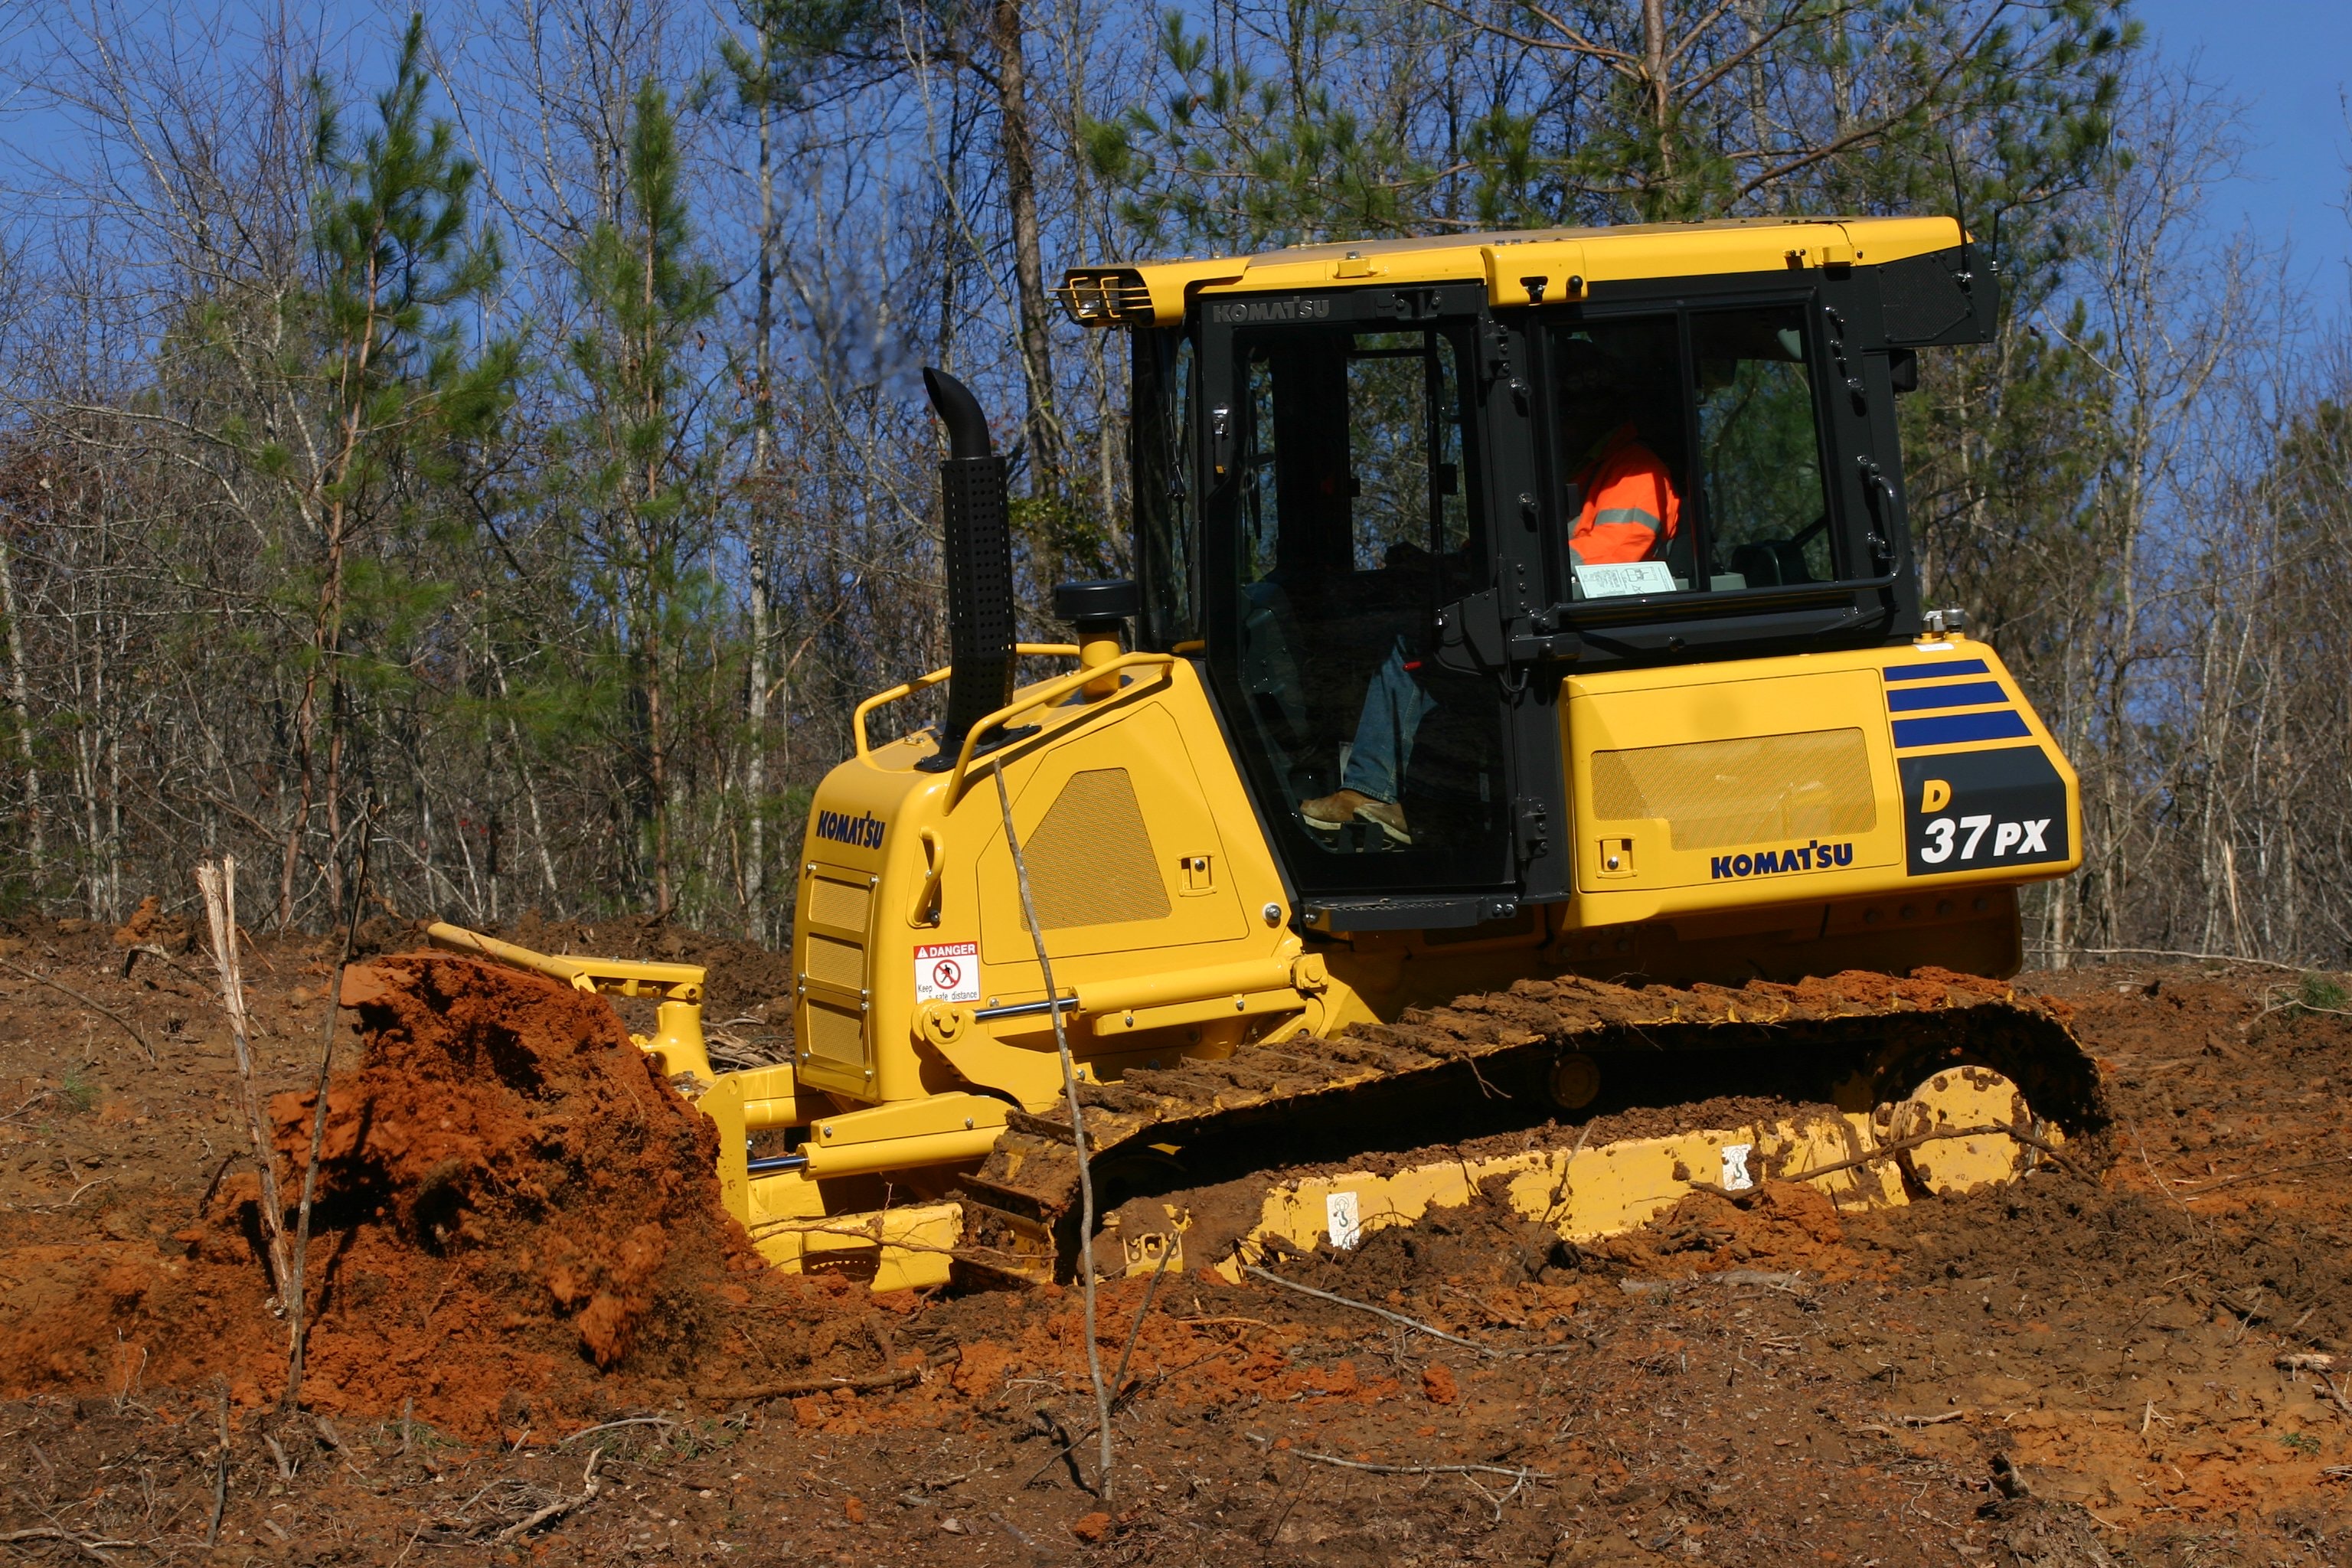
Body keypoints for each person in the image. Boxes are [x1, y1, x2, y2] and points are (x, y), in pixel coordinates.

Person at [1298, 340, 1679, 845]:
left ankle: (1394, 799)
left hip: (1599, 635)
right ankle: (1400, 804)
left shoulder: (1635, 472)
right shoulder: (1575, 470)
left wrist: (1496, 578)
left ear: (1595, 407)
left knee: (1437, 657)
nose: (1555, 423)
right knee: (1430, 648)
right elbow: (1517, 548)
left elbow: (1600, 562)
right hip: (1553, 619)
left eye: (1563, 408)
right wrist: (1443, 567)